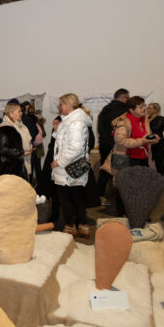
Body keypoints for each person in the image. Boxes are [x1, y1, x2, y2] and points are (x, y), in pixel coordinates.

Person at [100, 96, 159, 216]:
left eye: (144, 106)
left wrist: (152, 139)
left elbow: (143, 137)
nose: (144, 108)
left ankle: (138, 213)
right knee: (124, 189)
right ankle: (122, 214)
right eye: (140, 107)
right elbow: (120, 140)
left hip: (143, 158)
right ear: (131, 110)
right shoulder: (123, 121)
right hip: (126, 159)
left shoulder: (144, 120)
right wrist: (142, 141)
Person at [51, 94, 93, 237]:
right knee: (76, 197)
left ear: (69, 104)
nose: (59, 107)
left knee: (66, 198)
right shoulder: (71, 121)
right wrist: (57, 130)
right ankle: (82, 226)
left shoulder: (75, 123)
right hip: (71, 167)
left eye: (61, 104)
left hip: (67, 168)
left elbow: (75, 148)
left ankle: (71, 226)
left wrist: (59, 162)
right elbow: (66, 141)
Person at [96, 88, 129, 201]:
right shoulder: (124, 110)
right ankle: (121, 199)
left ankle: (99, 195)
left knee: (105, 170)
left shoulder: (104, 109)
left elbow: (100, 129)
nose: (128, 100)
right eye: (127, 97)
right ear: (123, 97)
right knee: (121, 172)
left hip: (104, 144)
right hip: (118, 146)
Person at [0, 103, 33, 177]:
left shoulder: (21, 125)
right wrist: (21, 153)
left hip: (21, 164)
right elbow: (3, 149)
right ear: (11, 114)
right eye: (19, 111)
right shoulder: (6, 127)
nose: (21, 113)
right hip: (11, 167)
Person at [147, 103, 164, 177]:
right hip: (147, 144)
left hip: (159, 144)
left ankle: (160, 180)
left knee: (159, 164)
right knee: (148, 163)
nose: (147, 110)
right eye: (147, 108)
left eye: (149, 108)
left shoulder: (162, 119)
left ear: (156, 110)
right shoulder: (146, 119)